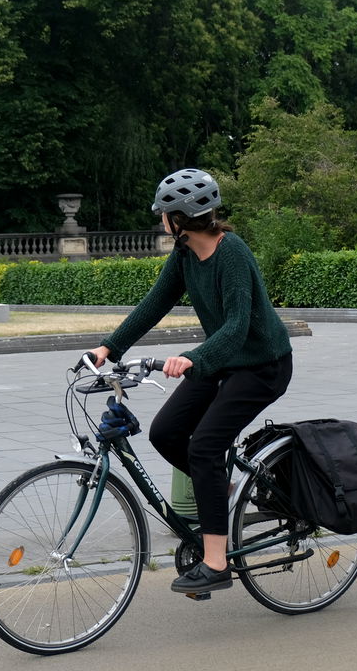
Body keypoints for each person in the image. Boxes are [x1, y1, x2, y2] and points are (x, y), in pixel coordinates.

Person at [87, 168, 293, 596]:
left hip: (262, 365)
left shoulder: (231, 251)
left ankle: (216, 563)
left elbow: (237, 326)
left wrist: (192, 358)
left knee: (203, 446)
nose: (161, 220)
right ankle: (223, 490)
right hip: (221, 362)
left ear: (179, 218)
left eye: (164, 213)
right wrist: (110, 348)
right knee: (165, 432)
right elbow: (156, 302)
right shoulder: (184, 255)